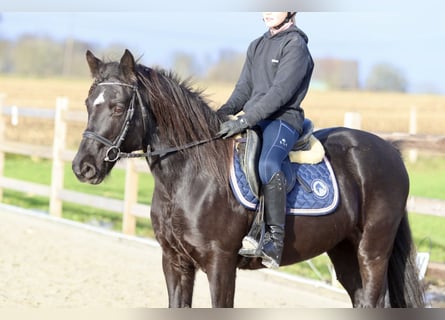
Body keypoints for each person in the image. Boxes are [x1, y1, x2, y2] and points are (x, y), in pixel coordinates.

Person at [217, 12, 314, 269]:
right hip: (256, 119)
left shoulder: (296, 46)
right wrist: (221, 113)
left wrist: (244, 120)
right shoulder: (257, 45)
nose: (268, 11)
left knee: (267, 164)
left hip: (283, 120)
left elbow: (279, 94)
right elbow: (243, 90)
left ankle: (274, 239)